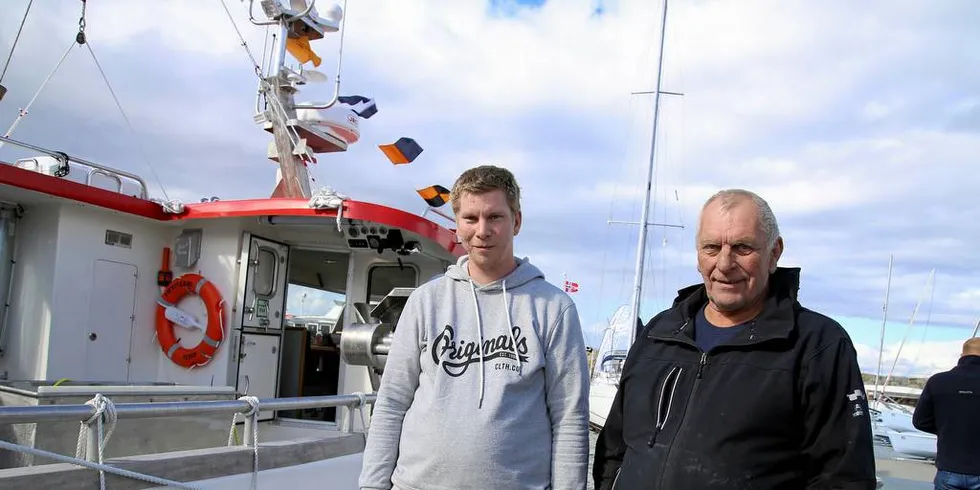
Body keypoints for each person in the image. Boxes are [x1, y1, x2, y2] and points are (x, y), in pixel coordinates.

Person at [593, 189, 877, 489]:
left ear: (774, 252)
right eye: (712, 248)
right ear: (698, 254)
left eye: (742, 247)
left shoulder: (817, 346)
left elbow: (844, 479)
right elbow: (614, 449)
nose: (725, 264)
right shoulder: (658, 333)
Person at [359, 165, 590, 490]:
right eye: (471, 218)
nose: (482, 230)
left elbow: (570, 419)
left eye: (495, 217)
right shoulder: (426, 301)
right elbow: (392, 402)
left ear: (517, 221)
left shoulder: (554, 308)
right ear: (457, 225)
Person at [912, 337, 980, 490]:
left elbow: (920, 421)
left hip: (949, 467)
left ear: (962, 356)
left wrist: (947, 429)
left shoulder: (937, 381)